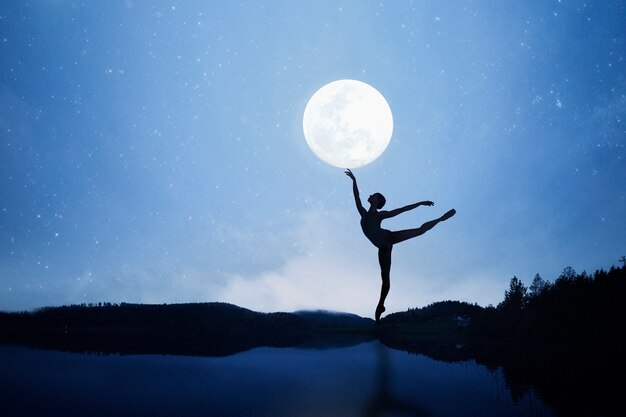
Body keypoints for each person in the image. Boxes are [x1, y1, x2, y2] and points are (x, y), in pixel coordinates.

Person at [345, 168, 456, 322]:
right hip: (383, 247)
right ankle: (381, 305)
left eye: (374, 195)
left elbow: (402, 210)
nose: (370, 195)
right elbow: (356, 196)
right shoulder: (363, 212)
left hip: (388, 237)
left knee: (419, 231)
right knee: (385, 278)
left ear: (377, 201)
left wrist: (421, 203)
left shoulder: (381, 214)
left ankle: (441, 218)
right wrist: (354, 180)